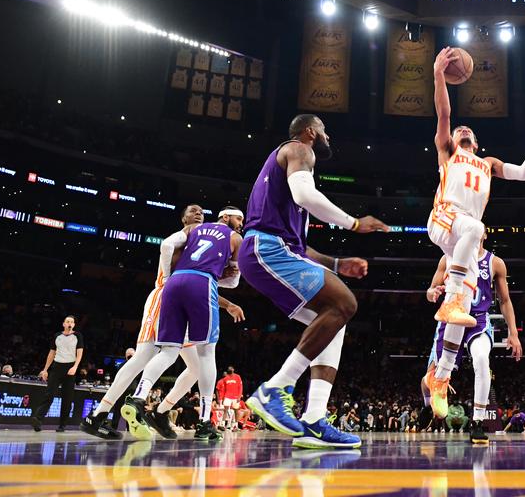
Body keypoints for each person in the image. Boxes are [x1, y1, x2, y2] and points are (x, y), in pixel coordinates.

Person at [240, 114, 389, 449]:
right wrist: (353, 223)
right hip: (265, 249)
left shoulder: (288, 179)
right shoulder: (299, 150)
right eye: (324, 131)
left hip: (271, 251)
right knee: (345, 303)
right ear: (309, 132)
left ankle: (314, 420)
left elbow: (299, 247)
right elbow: (306, 197)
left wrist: (337, 263)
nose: (328, 137)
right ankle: (276, 389)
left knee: (336, 321)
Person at [423, 47, 525, 416]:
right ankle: (454, 300)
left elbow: (523, 173)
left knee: (461, 317)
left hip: (460, 243)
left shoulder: (487, 164)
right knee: (476, 228)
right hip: (444, 220)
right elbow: (444, 111)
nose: (462, 129)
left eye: (468, 131)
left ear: (477, 144)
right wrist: (437, 75)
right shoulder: (447, 151)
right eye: (460, 129)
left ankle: (441, 376)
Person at [81, 204, 245, 440]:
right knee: (145, 357)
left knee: (195, 367)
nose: (198, 214)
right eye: (193, 211)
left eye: (201, 212)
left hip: (180, 292)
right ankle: (101, 413)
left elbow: (198, 280)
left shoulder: (194, 237)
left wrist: (226, 302)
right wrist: (169, 280)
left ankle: (160, 411)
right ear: (183, 219)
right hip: (164, 294)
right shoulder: (187, 235)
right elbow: (180, 259)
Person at [421, 234, 522, 444]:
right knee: (430, 376)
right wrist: (433, 293)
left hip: (478, 322)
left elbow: (505, 300)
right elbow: (430, 291)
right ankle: (427, 405)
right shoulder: (447, 258)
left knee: (482, 360)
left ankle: (477, 423)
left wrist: (513, 333)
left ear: (483, 234)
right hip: (451, 320)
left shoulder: (495, 262)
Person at [31, 315, 84, 432]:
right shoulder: (57, 336)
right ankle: (38, 419)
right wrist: (45, 369)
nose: (69, 323)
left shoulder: (77, 336)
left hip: (70, 367)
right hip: (57, 366)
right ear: (63, 324)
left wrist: (75, 366)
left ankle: (62, 425)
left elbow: (80, 353)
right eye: (67, 321)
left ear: (74, 325)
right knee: (49, 394)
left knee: (67, 397)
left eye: (72, 322)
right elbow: (51, 353)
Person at [215, 365, 245, 430]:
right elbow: (224, 390)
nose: (230, 368)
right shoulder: (225, 378)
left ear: (233, 369)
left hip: (235, 397)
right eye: (229, 368)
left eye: (231, 367)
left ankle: (235, 426)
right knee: (225, 410)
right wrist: (222, 398)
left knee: (236, 411)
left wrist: (239, 396)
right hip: (227, 397)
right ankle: (222, 425)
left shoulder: (237, 377)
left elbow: (240, 387)